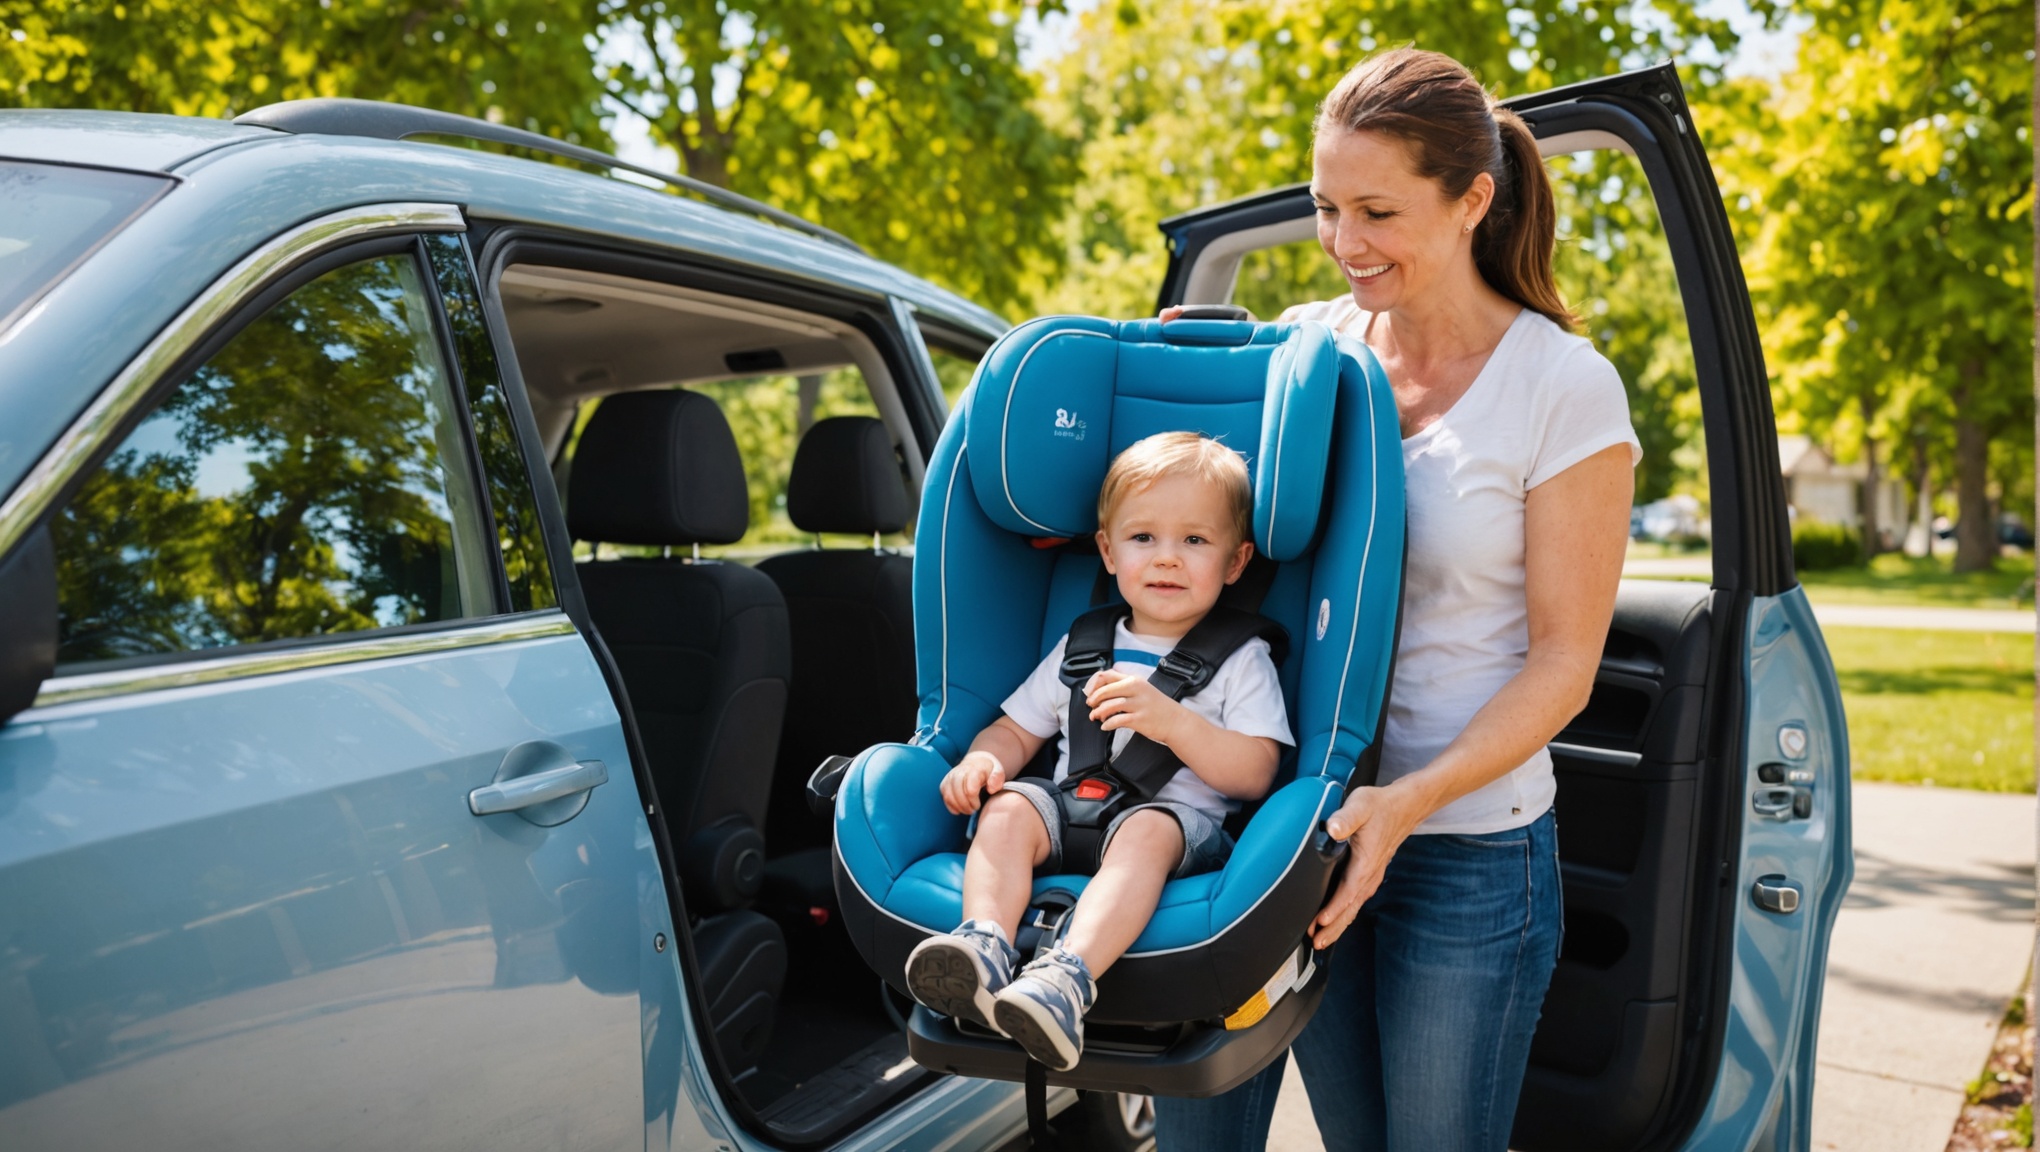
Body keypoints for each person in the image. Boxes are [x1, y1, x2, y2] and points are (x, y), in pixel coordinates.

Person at [1152, 48, 1640, 1151]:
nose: (1343, 243)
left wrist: (1406, 802)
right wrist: (1183, 395)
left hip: (1465, 848)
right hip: (1293, 827)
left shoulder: (1562, 386)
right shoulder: (1308, 348)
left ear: (1473, 200)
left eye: (1376, 210)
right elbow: (1214, 543)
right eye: (1326, 207)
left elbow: (1565, 667)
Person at [904, 431, 1294, 1072]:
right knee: (1006, 810)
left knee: (1144, 830)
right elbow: (1016, 729)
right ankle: (983, 947)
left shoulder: (1242, 659)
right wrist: (985, 760)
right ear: (1109, 552)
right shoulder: (1082, 644)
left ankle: (1064, 980)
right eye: (1144, 538)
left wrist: (1173, 722)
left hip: (1174, 827)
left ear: (1235, 561)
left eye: (1194, 540)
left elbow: (1256, 774)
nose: (1167, 559)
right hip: (1069, 808)